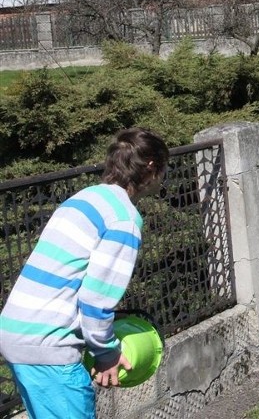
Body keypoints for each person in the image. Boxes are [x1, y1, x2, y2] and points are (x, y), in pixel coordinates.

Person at [0, 127, 169, 419]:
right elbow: (95, 300)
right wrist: (107, 354)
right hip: (48, 345)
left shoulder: (88, 197)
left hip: (17, 333)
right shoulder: (123, 218)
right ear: (152, 167)